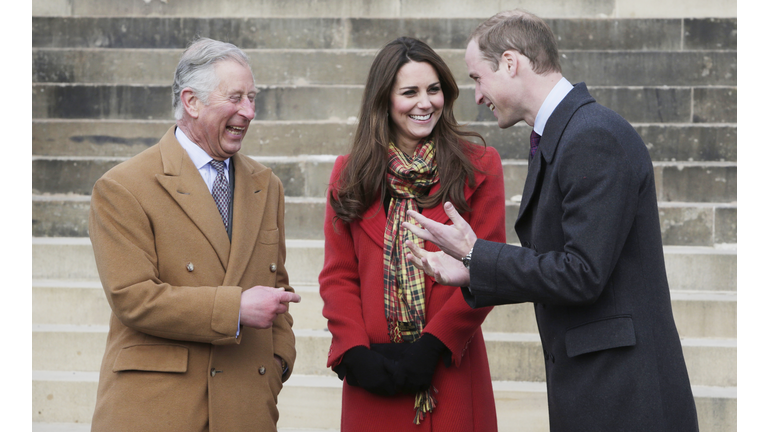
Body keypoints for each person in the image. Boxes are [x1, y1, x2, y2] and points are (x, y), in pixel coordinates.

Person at [403, 10, 699, 432]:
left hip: (625, 397)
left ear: (510, 63)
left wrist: (476, 255)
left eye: (476, 78)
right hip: (598, 388)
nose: (477, 96)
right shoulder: (567, 133)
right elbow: (563, 264)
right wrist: (473, 269)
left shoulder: (592, 136)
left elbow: (582, 273)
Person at [88, 37, 301, 432]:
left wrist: (277, 364)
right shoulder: (123, 186)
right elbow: (133, 298)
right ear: (192, 102)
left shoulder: (266, 184)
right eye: (236, 98)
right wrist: (234, 309)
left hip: (246, 407)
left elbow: (277, 287)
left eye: (252, 98)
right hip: (159, 409)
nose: (249, 112)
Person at [319, 37, 506, 431]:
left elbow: (490, 269)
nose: (426, 103)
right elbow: (338, 276)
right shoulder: (347, 174)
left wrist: (434, 345)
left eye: (434, 89)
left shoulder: (481, 166)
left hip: (449, 367)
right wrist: (353, 353)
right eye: (410, 92)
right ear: (384, 100)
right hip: (374, 376)